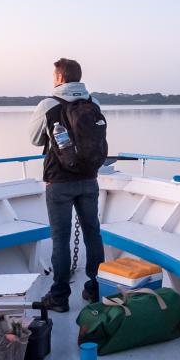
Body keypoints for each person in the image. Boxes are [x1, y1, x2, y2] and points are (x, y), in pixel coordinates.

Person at [30, 58, 106, 312]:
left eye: (54, 75)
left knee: (60, 239)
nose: (53, 78)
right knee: (93, 234)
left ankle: (60, 296)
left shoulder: (48, 104)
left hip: (59, 182)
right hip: (88, 179)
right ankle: (95, 288)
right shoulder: (93, 103)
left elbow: (34, 139)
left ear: (60, 78)